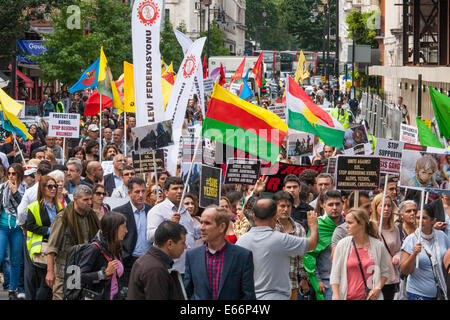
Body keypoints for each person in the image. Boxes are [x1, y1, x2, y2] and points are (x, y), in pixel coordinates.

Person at [236, 198, 318, 300]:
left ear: (254, 217)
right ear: (275, 216)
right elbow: (312, 244)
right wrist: (313, 226)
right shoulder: (281, 239)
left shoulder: (241, 241)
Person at [184, 205, 256, 300]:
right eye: (201, 222)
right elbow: (188, 293)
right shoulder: (192, 256)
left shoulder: (242, 256)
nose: (202, 227)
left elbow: (248, 295)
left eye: (207, 223)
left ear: (222, 227)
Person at [45, 184, 100, 300]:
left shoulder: (92, 216)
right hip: (64, 270)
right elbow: (51, 248)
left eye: (90, 199)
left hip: (84, 270)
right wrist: (50, 272)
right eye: (85, 199)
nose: (89, 202)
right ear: (75, 199)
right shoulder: (63, 218)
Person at [330, 208, 390, 300]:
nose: (346, 226)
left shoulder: (378, 246)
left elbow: (385, 272)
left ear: (361, 224)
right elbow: (335, 274)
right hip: (346, 296)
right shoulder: (342, 245)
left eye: (350, 223)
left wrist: (377, 288)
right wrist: (336, 296)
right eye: (346, 222)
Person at [147, 176, 201, 275]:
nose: (179, 191)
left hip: (188, 265)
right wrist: (169, 226)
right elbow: (150, 236)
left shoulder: (184, 210)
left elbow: (190, 233)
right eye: (175, 188)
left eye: (181, 188)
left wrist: (202, 229)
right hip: (171, 267)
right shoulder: (157, 210)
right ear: (166, 192)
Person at [400, 203, 450, 300]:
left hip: (440, 293)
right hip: (418, 294)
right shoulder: (411, 240)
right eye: (418, 218)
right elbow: (405, 271)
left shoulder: (442, 236)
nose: (420, 221)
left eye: (424, 218)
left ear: (433, 220)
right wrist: (414, 254)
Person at [127, 221, 187, 300]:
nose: (185, 247)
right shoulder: (155, 269)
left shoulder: (147, 260)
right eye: (182, 243)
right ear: (170, 244)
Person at [25, 175, 63, 300]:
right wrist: (49, 231)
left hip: (57, 248)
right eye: (50, 186)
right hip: (42, 248)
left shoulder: (60, 206)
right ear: (42, 188)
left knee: (51, 284)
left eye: (55, 186)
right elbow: (29, 226)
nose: (53, 189)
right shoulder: (34, 206)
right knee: (46, 282)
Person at [112, 178, 152, 290]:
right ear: (129, 193)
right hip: (128, 262)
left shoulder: (152, 211)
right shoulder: (118, 212)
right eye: (137, 192)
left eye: (143, 191)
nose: (141, 195)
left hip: (148, 261)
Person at [78, 211, 127, 300]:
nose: (126, 231)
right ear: (114, 229)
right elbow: (80, 276)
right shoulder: (94, 248)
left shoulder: (116, 246)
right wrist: (104, 273)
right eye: (123, 227)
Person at [273, 191, 308, 300]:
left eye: (288, 206)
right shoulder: (270, 227)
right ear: (275, 207)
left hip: (292, 284)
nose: (286, 209)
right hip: (272, 284)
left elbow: (303, 255)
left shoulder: (299, 228)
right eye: (282, 206)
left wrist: (304, 278)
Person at [0, 164, 27, 299]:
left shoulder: (25, 188)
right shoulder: (2, 187)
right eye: (9, 173)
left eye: (14, 174)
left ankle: (13, 288)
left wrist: (15, 192)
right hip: (3, 226)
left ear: (19, 175)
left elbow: (23, 208)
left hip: (18, 227)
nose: (11, 176)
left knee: (15, 260)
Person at [369, 193, 401, 300]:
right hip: (372, 276)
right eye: (383, 205)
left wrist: (397, 257)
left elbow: (398, 250)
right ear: (375, 207)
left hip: (389, 276)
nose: (386, 209)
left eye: (389, 205)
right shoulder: (369, 227)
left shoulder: (395, 228)